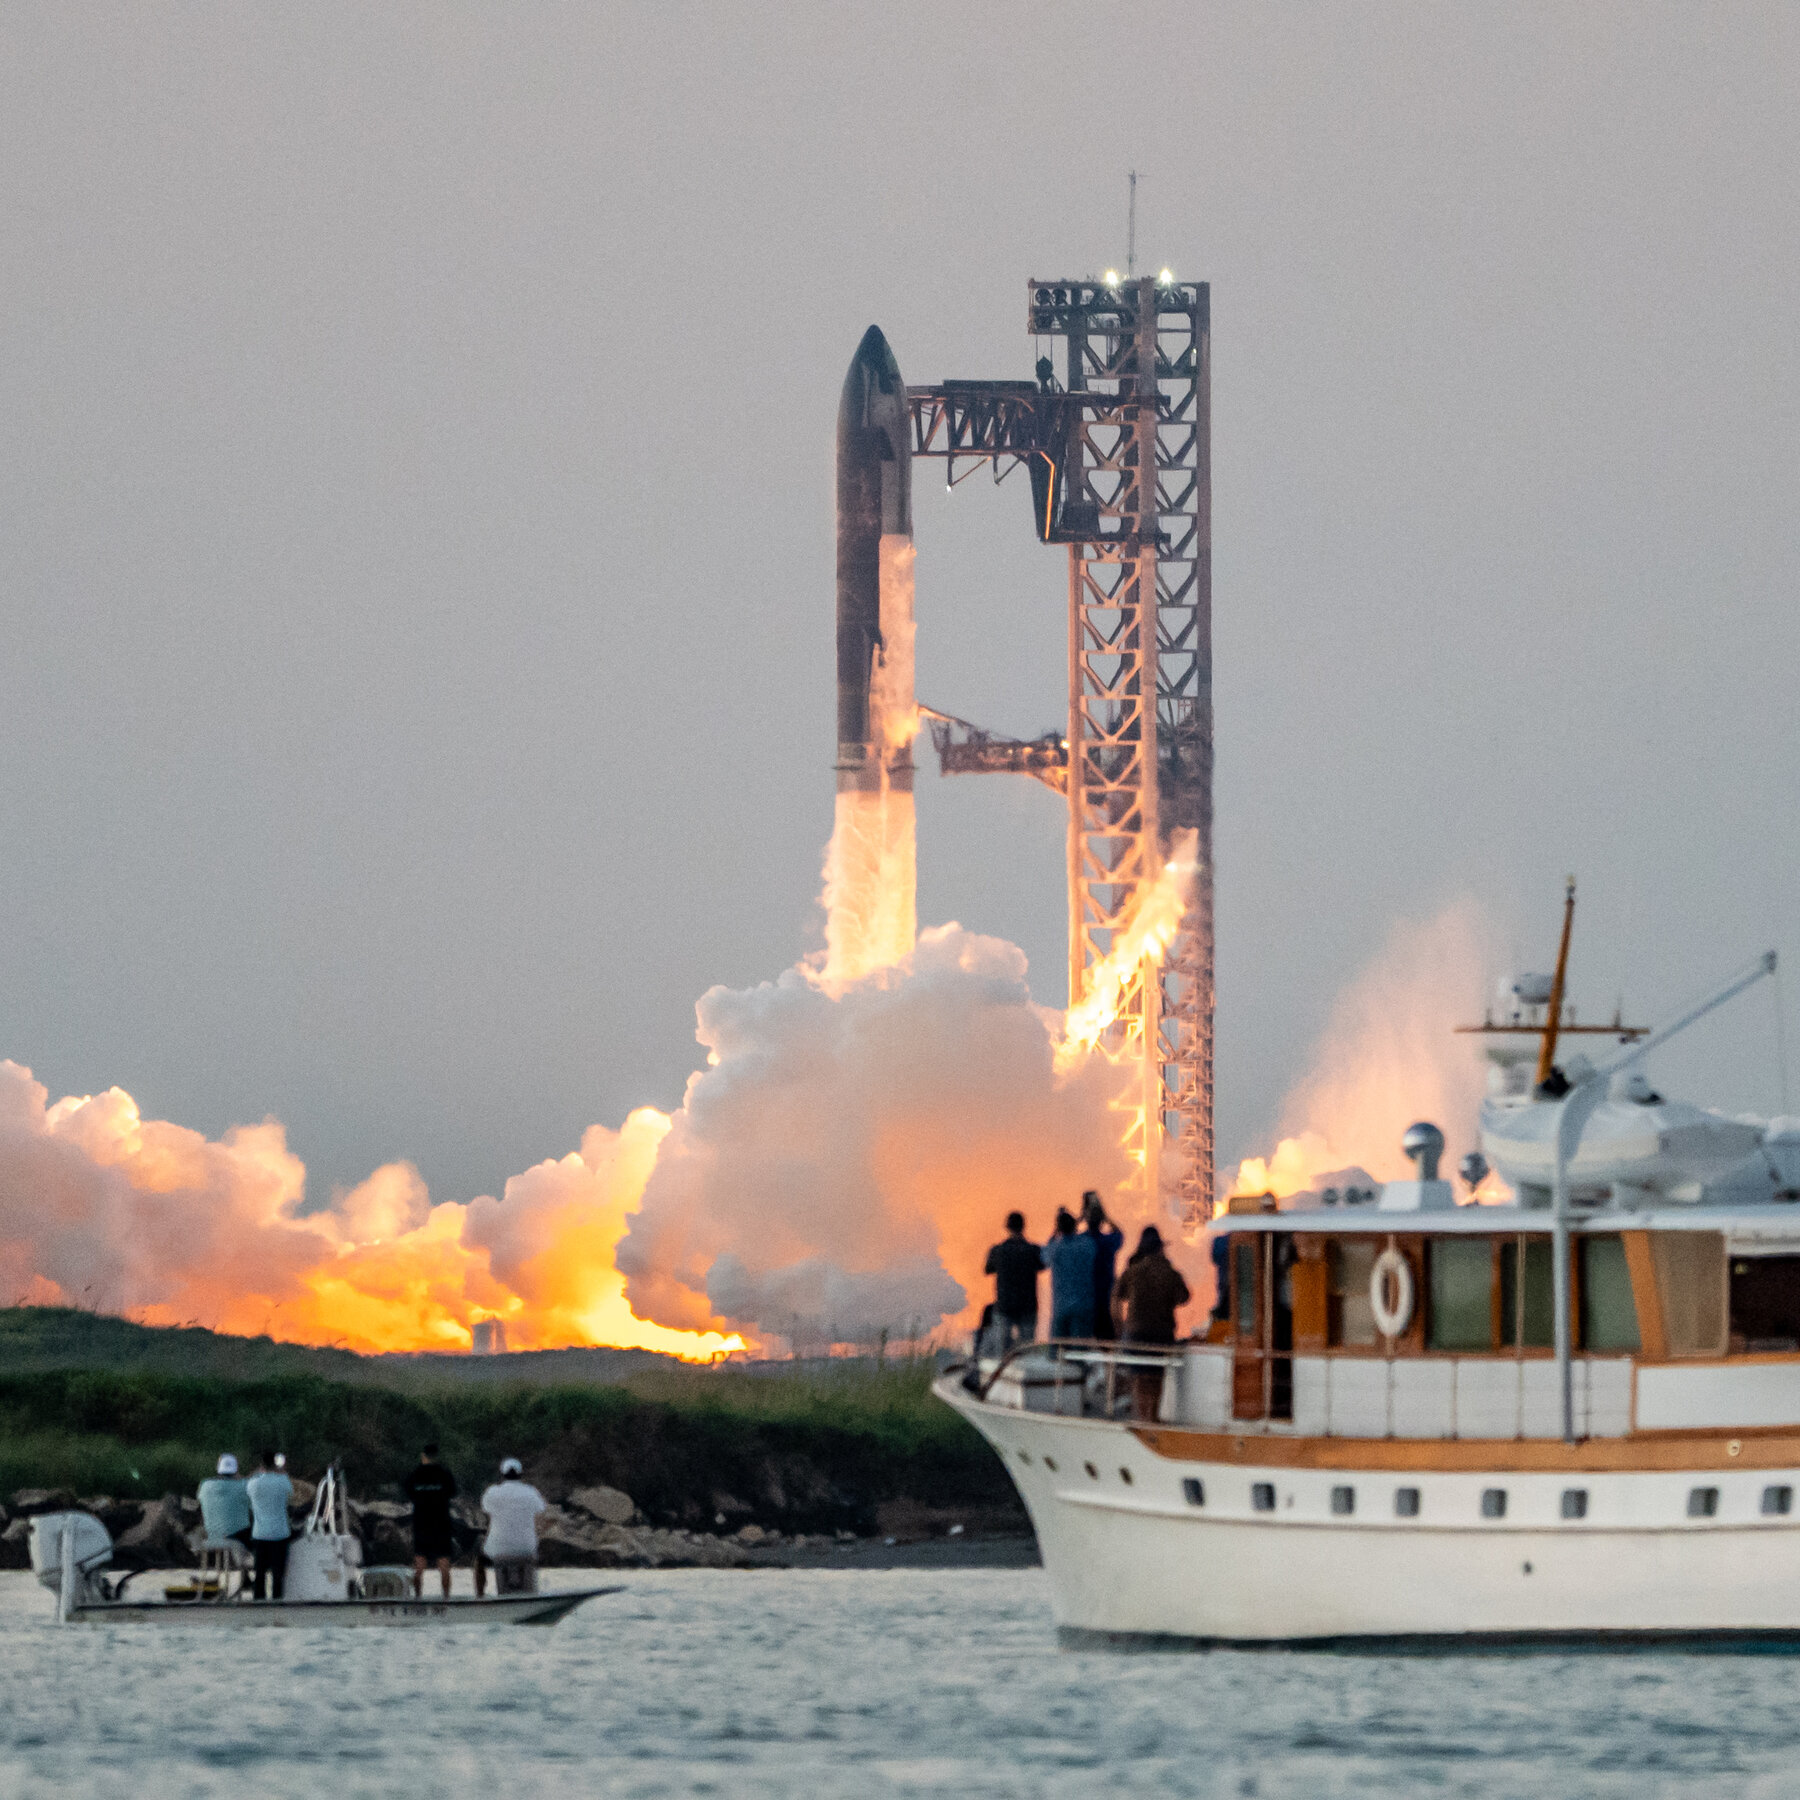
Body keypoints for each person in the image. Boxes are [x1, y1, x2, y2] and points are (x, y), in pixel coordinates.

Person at [1113, 1226, 1193, 1419]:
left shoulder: (1133, 1271)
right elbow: (1184, 1297)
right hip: (1162, 1333)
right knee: (1157, 1375)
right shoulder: (1170, 1272)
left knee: (1139, 1376)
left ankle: (1142, 1417)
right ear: (1159, 1248)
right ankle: (1153, 1416)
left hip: (1135, 1333)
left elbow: (1117, 1295)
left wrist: (1118, 1327)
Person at [479, 1457, 547, 1596]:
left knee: (478, 1560)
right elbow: (540, 1512)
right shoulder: (531, 1492)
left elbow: (487, 1511)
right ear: (521, 1474)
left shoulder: (492, 1492)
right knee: (529, 1559)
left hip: (498, 1548)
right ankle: (529, 1594)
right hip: (526, 1547)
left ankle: (480, 1595)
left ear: (502, 1474)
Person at [401, 1442, 460, 1598]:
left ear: (423, 1455)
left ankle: (418, 1597)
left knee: (419, 1565)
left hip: (421, 1524)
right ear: (436, 1456)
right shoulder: (445, 1474)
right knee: (444, 1565)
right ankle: (446, 1597)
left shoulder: (415, 1474)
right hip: (441, 1524)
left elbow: (408, 1493)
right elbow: (452, 1493)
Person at [983, 1212, 1043, 1354]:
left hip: (1005, 1306)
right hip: (1028, 1306)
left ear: (1007, 1227)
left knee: (1003, 1353)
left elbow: (987, 1269)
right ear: (1023, 1226)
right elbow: (1043, 1264)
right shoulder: (1033, 1250)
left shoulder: (998, 1250)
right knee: (1028, 1351)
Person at [244, 1448, 294, 1600]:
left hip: (260, 1533)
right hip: (280, 1533)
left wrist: (257, 1473)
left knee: (260, 1573)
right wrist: (281, 1472)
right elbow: (290, 1494)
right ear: (275, 1464)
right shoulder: (283, 1481)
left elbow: (248, 1488)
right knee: (278, 1573)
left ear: (261, 1465)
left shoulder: (253, 1484)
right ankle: (277, 1600)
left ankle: (259, 1601)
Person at [1042, 1207, 1097, 1340]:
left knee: (1057, 1350)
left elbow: (1044, 1256)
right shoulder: (1087, 1245)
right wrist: (1079, 1220)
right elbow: (1092, 1243)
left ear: (1059, 1229)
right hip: (1083, 1304)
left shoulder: (1055, 1248)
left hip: (1060, 1305)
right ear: (1075, 1227)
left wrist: (1056, 1229)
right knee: (1079, 1351)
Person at [1081, 1191, 1125, 1342]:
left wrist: (1080, 1217)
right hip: (1105, 1299)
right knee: (1106, 1342)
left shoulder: (1081, 1242)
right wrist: (1105, 1216)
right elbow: (1119, 1233)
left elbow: (1066, 1237)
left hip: (1084, 1300)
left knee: (1081, 1343)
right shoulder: (1108, 1242)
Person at [197, 1453, 252, 1553]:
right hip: (239, 1537)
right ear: (236, 1470)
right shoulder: (244, 1486)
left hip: (212, 1536)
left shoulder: (205, 1485)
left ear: (218, 1469)